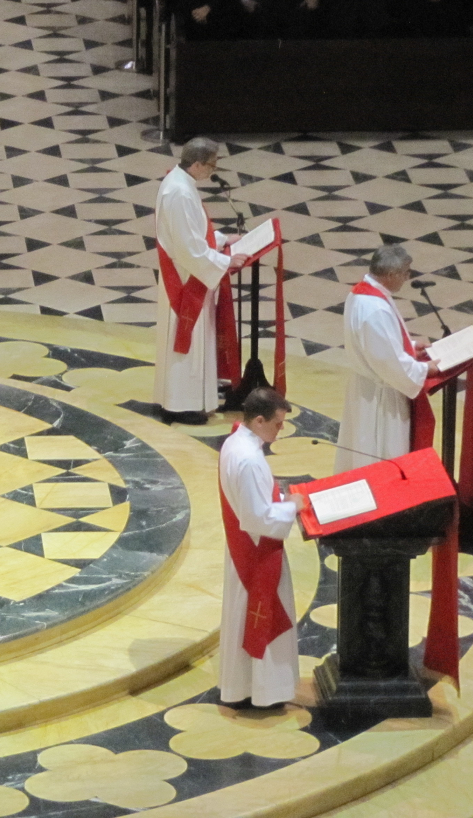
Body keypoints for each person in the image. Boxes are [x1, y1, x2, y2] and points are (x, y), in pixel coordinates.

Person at [219, 385, 308, 710]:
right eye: (277, 424)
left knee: (243, 615)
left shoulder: (235, 442)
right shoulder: (250, 460)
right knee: (262, 616)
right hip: (256, 551)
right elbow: (257, 517)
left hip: (243, 547)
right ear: (258, 420)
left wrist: (279, 500)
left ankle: (242, 686)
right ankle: (263, 693)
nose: (280, 431)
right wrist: (292, 506)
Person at [153, 137, 246, 425]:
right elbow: (188, 247)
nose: (213, 170)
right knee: (188, 341)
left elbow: (193, 233)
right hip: (184, 278)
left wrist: (222, 240)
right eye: (210, 164)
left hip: (188, 269)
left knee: (192, 340)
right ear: (195, 163)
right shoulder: (178, 192)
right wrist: (225, 261)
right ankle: (180, 404)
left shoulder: (181, 183)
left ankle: (187, 399)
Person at [336, 244, 440, 472]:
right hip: (380, 398)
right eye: (405, 273)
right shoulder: (374, 308)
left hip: (367, 387)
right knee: (380, 455)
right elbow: (387, 363)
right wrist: (424, 370)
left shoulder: (361, 292)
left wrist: (411, 348)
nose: (407, 278)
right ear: (391, 275)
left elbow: (377, 345)